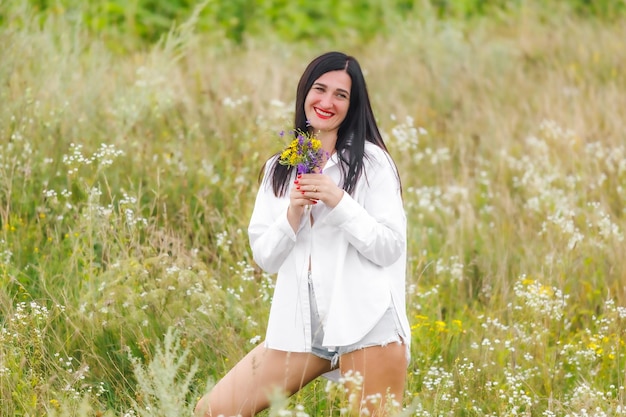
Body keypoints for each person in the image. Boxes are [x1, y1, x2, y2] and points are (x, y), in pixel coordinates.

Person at [195, 51, 411, 417]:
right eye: (320, 89)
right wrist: (293, 213)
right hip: (302, 329)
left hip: (367, 323)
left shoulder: (372, 162)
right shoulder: (279, 168)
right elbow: (265, 256)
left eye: (341, 95)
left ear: (352, 104)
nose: (327, 102)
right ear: (304, 93)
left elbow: (389, 246)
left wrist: (338, 200)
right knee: (214, 411)